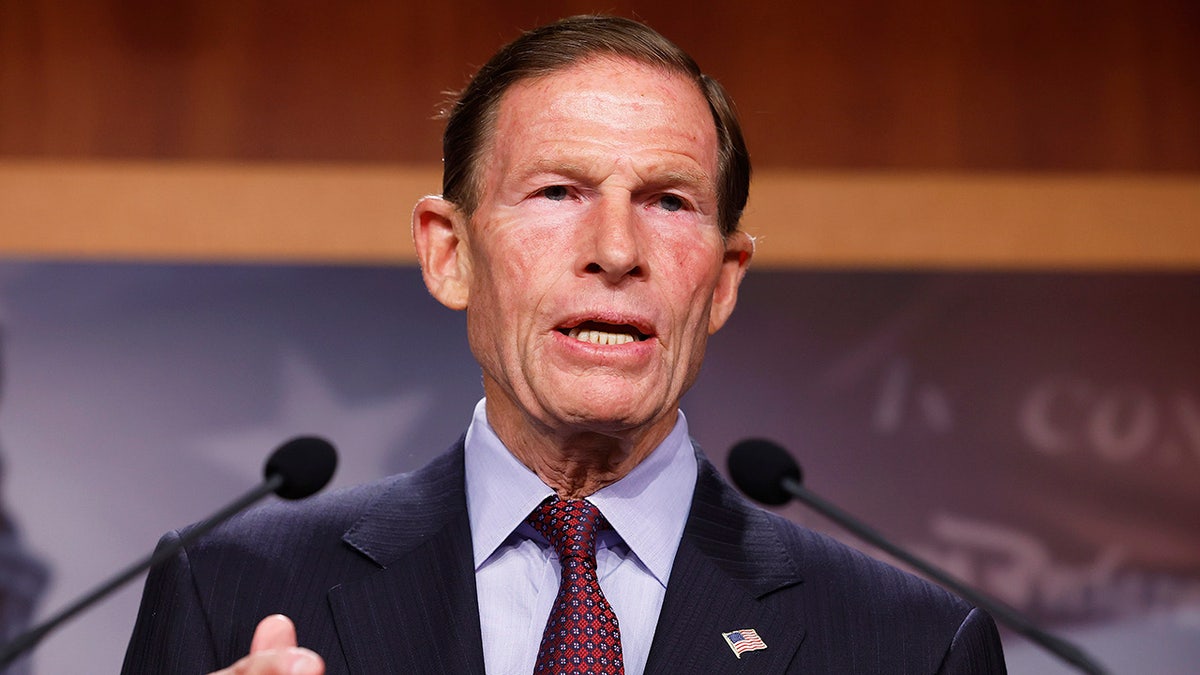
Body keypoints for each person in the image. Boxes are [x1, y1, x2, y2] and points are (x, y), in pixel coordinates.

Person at [122, 15, 1006, 675]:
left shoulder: (910, 645)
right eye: (556, 191)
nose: (617, 250)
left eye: (669, 201)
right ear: (450, 252)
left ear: (725, 277)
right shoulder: (228, 591)